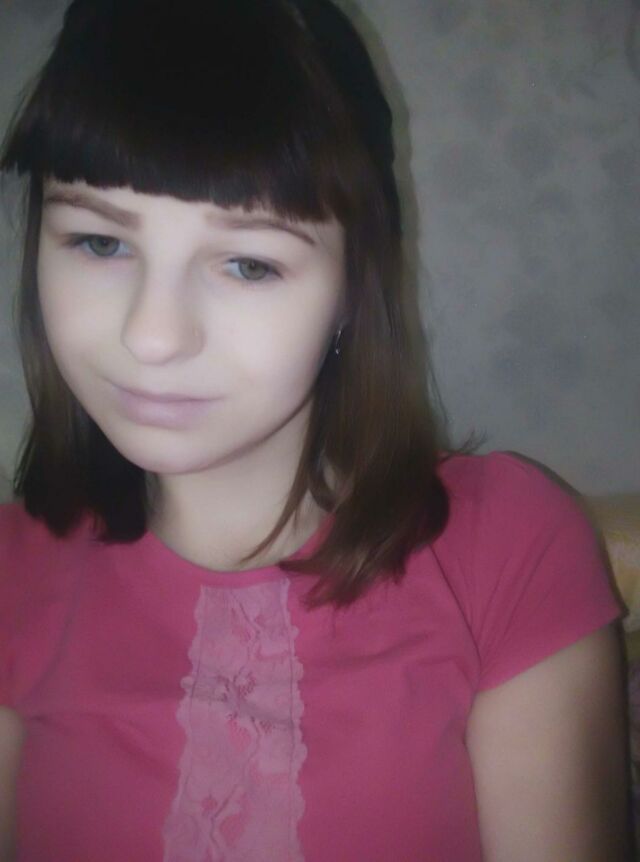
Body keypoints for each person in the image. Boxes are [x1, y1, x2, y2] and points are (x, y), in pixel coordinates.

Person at [0, 0, 632, 859]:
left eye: (248, 263)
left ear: (350, 287)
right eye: (100, 244)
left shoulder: (507, 549)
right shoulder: (14, 572)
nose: (151, 335)